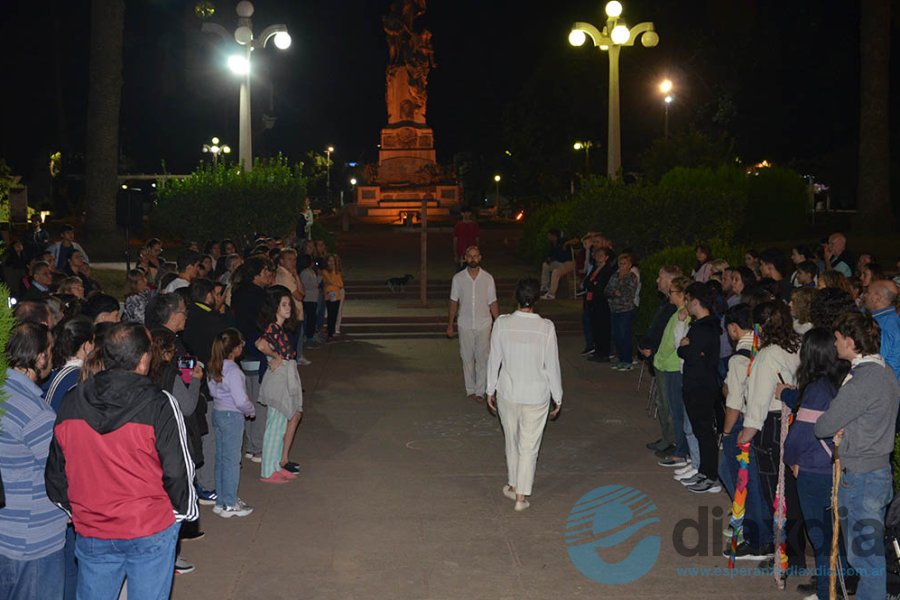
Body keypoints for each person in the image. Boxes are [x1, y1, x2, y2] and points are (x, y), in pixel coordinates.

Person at [45, 322, 198, 600]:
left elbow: (56, 473)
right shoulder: (160, 403)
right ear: (143, 360)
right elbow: (177, 470)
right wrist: (181, 515)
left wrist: (77, 511)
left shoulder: (72, 401)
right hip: (148, 527)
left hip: (93, 530)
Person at [815, 312, 900, 600]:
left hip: (862, 477)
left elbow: (823, 426)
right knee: (868, 553)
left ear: (851, 342)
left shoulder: (861, 381)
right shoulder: (885, 370)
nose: (835, 343)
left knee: (865, 557)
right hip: (878, 470)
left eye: (838, 339)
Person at [777, 328, 849, 600]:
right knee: (835, 535)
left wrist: (790, 459)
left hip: (814, 471)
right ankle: (837, 587)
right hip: (836, 468)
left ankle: (826, 592)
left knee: (821, 538)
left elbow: (800, 435)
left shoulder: (817, 388)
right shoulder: (841, 381)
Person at [0, 322, 68, 599]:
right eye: (50, 350)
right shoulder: (34, 413)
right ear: (39, 356)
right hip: (33, 539)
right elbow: (62, 470)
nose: (52, 357)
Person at [486, 278, 562, 512]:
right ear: (536, 299)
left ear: (516, 297)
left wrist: (490, 388)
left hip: (508, 391)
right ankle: (520, 495)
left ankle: (512, 483)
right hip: (536, 393)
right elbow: (552, 364)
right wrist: (557, 396)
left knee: (512, 440)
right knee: (529, 446)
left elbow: (494, 359)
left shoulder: (502, 323)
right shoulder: (546, 327)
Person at [676, 282, 722, 493]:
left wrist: (686, 348)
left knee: (704, 432)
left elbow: (690, 354)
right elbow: (690, 351)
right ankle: (703, 471)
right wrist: (686, 348)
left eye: (687, 300)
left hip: (701, 386)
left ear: (695, 301)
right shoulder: (701, 325)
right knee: (700, 430)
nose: (686, 304)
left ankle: (710, 475)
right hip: (696, 384)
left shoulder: (706, 327)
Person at [255, 286, 303, 483]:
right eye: (283, 304)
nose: (288, 307)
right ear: (274, 307)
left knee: (280, 423)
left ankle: (275, 466)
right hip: (279, 378)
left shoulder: (278, 328)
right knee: (275, 425)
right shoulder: (272, 327)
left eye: (289, 304)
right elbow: (260, 344)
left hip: (285, 376)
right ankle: (268, 470)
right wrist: (275, 356)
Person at [207, 328, 255, 517]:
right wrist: (250, 410)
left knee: (221, 458)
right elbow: (241, 400)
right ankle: (229, 502)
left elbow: (212, 391)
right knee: (232, 460)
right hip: (232, 417)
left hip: (218, 412)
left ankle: (221, 499)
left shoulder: (214, 366)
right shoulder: (234, 370)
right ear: (234, 349)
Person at [639, 265, 682, 455]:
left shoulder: (676, 308)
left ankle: (672, 441)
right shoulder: (667, 303)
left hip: (667, 362)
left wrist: (653, 349)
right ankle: (667, 437)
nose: (657, 281)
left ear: (671, 281)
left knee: (668, 403)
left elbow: (670, 337)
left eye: (660, 277)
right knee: (662, 401)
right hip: (659, 360)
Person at [448, 246, 499, 403]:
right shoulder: (458, 279)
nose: (472, 259)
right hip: (465, 322)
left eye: (475, 256)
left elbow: (493, 302)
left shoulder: (488, 278)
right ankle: (470, 388)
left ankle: (480, 391)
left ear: (480, 258)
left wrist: (499, 323)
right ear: (465, 258)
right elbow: (453, 301)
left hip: (484, 322)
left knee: (483, 357)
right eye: (470, 256)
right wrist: (450, 324)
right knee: (467, 356)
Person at [605, 252, 639, 371]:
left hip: (625, 310)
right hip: (614, 309)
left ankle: (627, 360)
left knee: (625, 335)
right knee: (616, 335)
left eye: (624, 264)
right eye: (620, 263)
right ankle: (620, 359)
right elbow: (608, 290)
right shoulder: (615, 276)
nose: (621, 266)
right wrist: (614, 293)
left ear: (629, 265)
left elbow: (627, 293)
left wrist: (615, 292)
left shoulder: (632, 277)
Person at [865, 279, 900, 382]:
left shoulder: (883, 325)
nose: (865, 296)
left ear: (877, 298)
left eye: (868, 292)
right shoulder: (891, 318)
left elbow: (875, 361)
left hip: (887, 387)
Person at [584, 247, 615, 363]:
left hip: (602, 303)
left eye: (601, 255)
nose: (598, 257)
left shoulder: (607, 271)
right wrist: (593, 284)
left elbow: (600, 286)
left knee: (603, 328)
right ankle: (598, 351)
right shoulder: (595, 269)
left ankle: (604, 353)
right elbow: (587, 283)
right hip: (592, 302)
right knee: (595, 327)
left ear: (606, 257)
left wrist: (593, 284)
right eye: (597, 255)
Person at [540, 229, 574, 300]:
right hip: (558, 262)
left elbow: (576, 240)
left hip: (568, 262)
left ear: (554, 236)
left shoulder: (562, 241)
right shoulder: (552, 245)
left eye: (549, 235)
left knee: (556, 272)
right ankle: (545, 286)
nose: (548, 237)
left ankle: (552, 294)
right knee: (545, 265)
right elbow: (552, 255)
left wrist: (566, 243)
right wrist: (549, 259)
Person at [321, 254, 345, 343]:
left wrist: (335, 272)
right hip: (329, 294)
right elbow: (330, 280)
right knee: (330, 314)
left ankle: (332, 332)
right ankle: (330, 333)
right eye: (330, 261)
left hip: (337, 295)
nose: (331, 263)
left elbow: (340, 283)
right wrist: (334, 283)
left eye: (333, 261)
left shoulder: (337, 272)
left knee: (335, 314)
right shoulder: (324, 271)